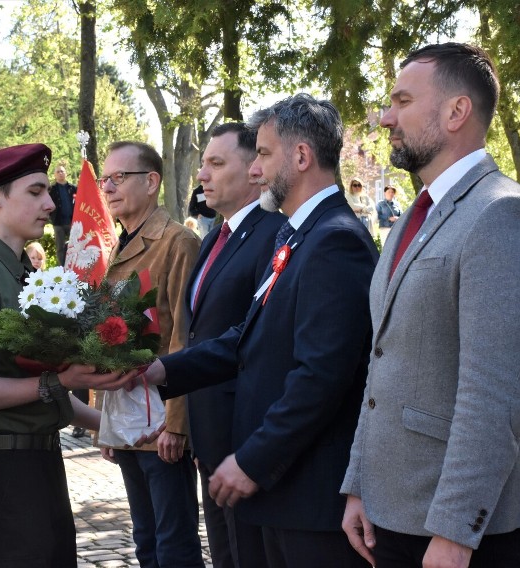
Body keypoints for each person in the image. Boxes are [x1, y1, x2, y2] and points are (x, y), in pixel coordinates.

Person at [340, 43, 520, 568]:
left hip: (465, 534)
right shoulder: (409, 222)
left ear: (456, 111)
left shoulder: (504, 214)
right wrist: (359, 484)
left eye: (402, 100)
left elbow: (497, 390)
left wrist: (457, 532)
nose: (386, 117)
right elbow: (384, 364)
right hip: (393, 512)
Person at [135, 94, 378, 567]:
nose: (256, 169)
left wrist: (252, 460)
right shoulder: (299, 235)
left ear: (301, 156)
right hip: (285, 494)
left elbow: (320, 376)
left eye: (264, 155)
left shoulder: (335, 241)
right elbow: (248, 337)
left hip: (310, 499)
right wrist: (161, 370)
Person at [0, 143, 136, 567]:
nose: (50, 203)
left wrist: (114, 427)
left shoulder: (28, 277)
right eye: (35, 192)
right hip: (1, 475)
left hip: (41, 463)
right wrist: (60, 382)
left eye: (47, 192)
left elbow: (48, 394)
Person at [97, 140, 204, 568]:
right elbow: (109, 342)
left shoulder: (177, 242)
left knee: (173, 545)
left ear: (152, 182)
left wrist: (177, 424)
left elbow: (184, 338)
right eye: (106, 179)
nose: (108, 187)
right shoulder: (120, 246)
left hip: (161, 426)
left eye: (119, 178)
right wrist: (106, 423)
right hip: (128, 421)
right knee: (145, 542)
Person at [186, 122, 286, 567]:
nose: (202, 175)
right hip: (210, 436)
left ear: (254, 171)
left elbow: (256, 335)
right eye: (203, 163)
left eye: (216, 163)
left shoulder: (273, 234)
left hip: (245, 437)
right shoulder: (216, 236)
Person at [49, 162, 77, 266]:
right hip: (58, 223)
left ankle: (75, 266)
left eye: (62, 171)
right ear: (55, 175)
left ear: (66, 173)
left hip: (72, 222)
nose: (60, 173)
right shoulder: (51, 190)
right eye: (58, 171)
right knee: (60, 248)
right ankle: (62, 268)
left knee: (75, 246)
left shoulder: (73, 188)